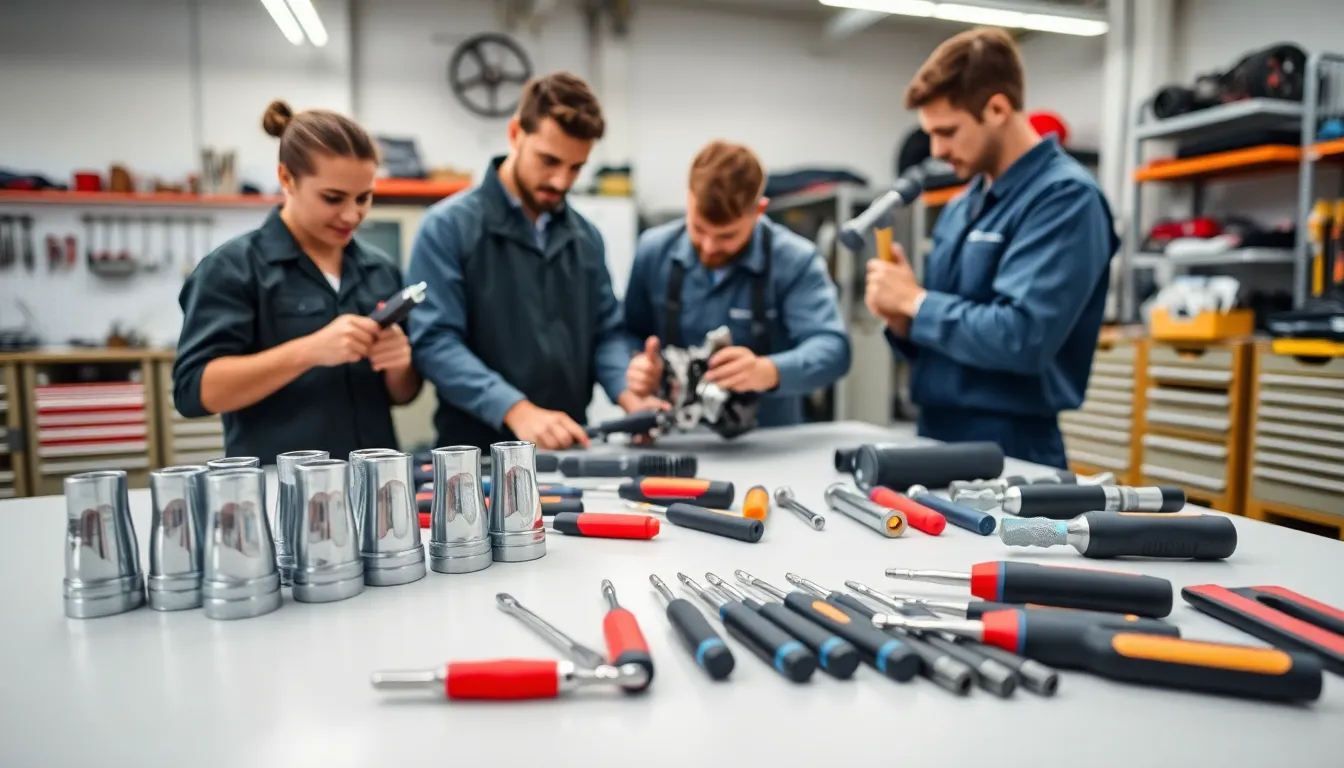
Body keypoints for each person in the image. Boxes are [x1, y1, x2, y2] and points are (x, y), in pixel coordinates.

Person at [863, 28, 1118, 469]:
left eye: (947, 131)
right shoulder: (964, 205)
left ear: (998, 108)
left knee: (1011, 542)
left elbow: (1022, 336)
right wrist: (902, 318)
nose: (937, 151)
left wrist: (916, 301)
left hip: (1011, 446)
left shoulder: (1065, 199)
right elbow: (946, 328)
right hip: (935, 432)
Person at [407, 72, 653, 451]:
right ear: (515, 134)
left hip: (568, 448)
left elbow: (606, 333)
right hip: (475, 457)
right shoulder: (448, 228)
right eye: (549, 160)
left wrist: (626, 391)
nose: (560, 180)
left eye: (575, 167)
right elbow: (435, 342)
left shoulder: (586, 238)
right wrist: (516, 410)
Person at [173, 100, 421, 465]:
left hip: (375, 485)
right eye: (332, 198)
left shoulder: (380, 270)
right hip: (280, 492)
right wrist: (310, 351)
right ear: (286, 178)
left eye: (364, 198)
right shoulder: (233, 269)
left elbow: (403, 395)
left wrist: (400, 364)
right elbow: (194, 392)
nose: (352, 214)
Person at [623, 140, 851, 428]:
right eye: (699, 229)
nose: (708, 247)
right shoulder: (653, 252)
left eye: (727, 236)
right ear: (689, 198)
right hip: (675, 435)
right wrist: (638, 365)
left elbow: (833, 350)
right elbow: (627, 334)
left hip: (768, 441)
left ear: (760, 210)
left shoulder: (795, 260)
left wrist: (768, 371)